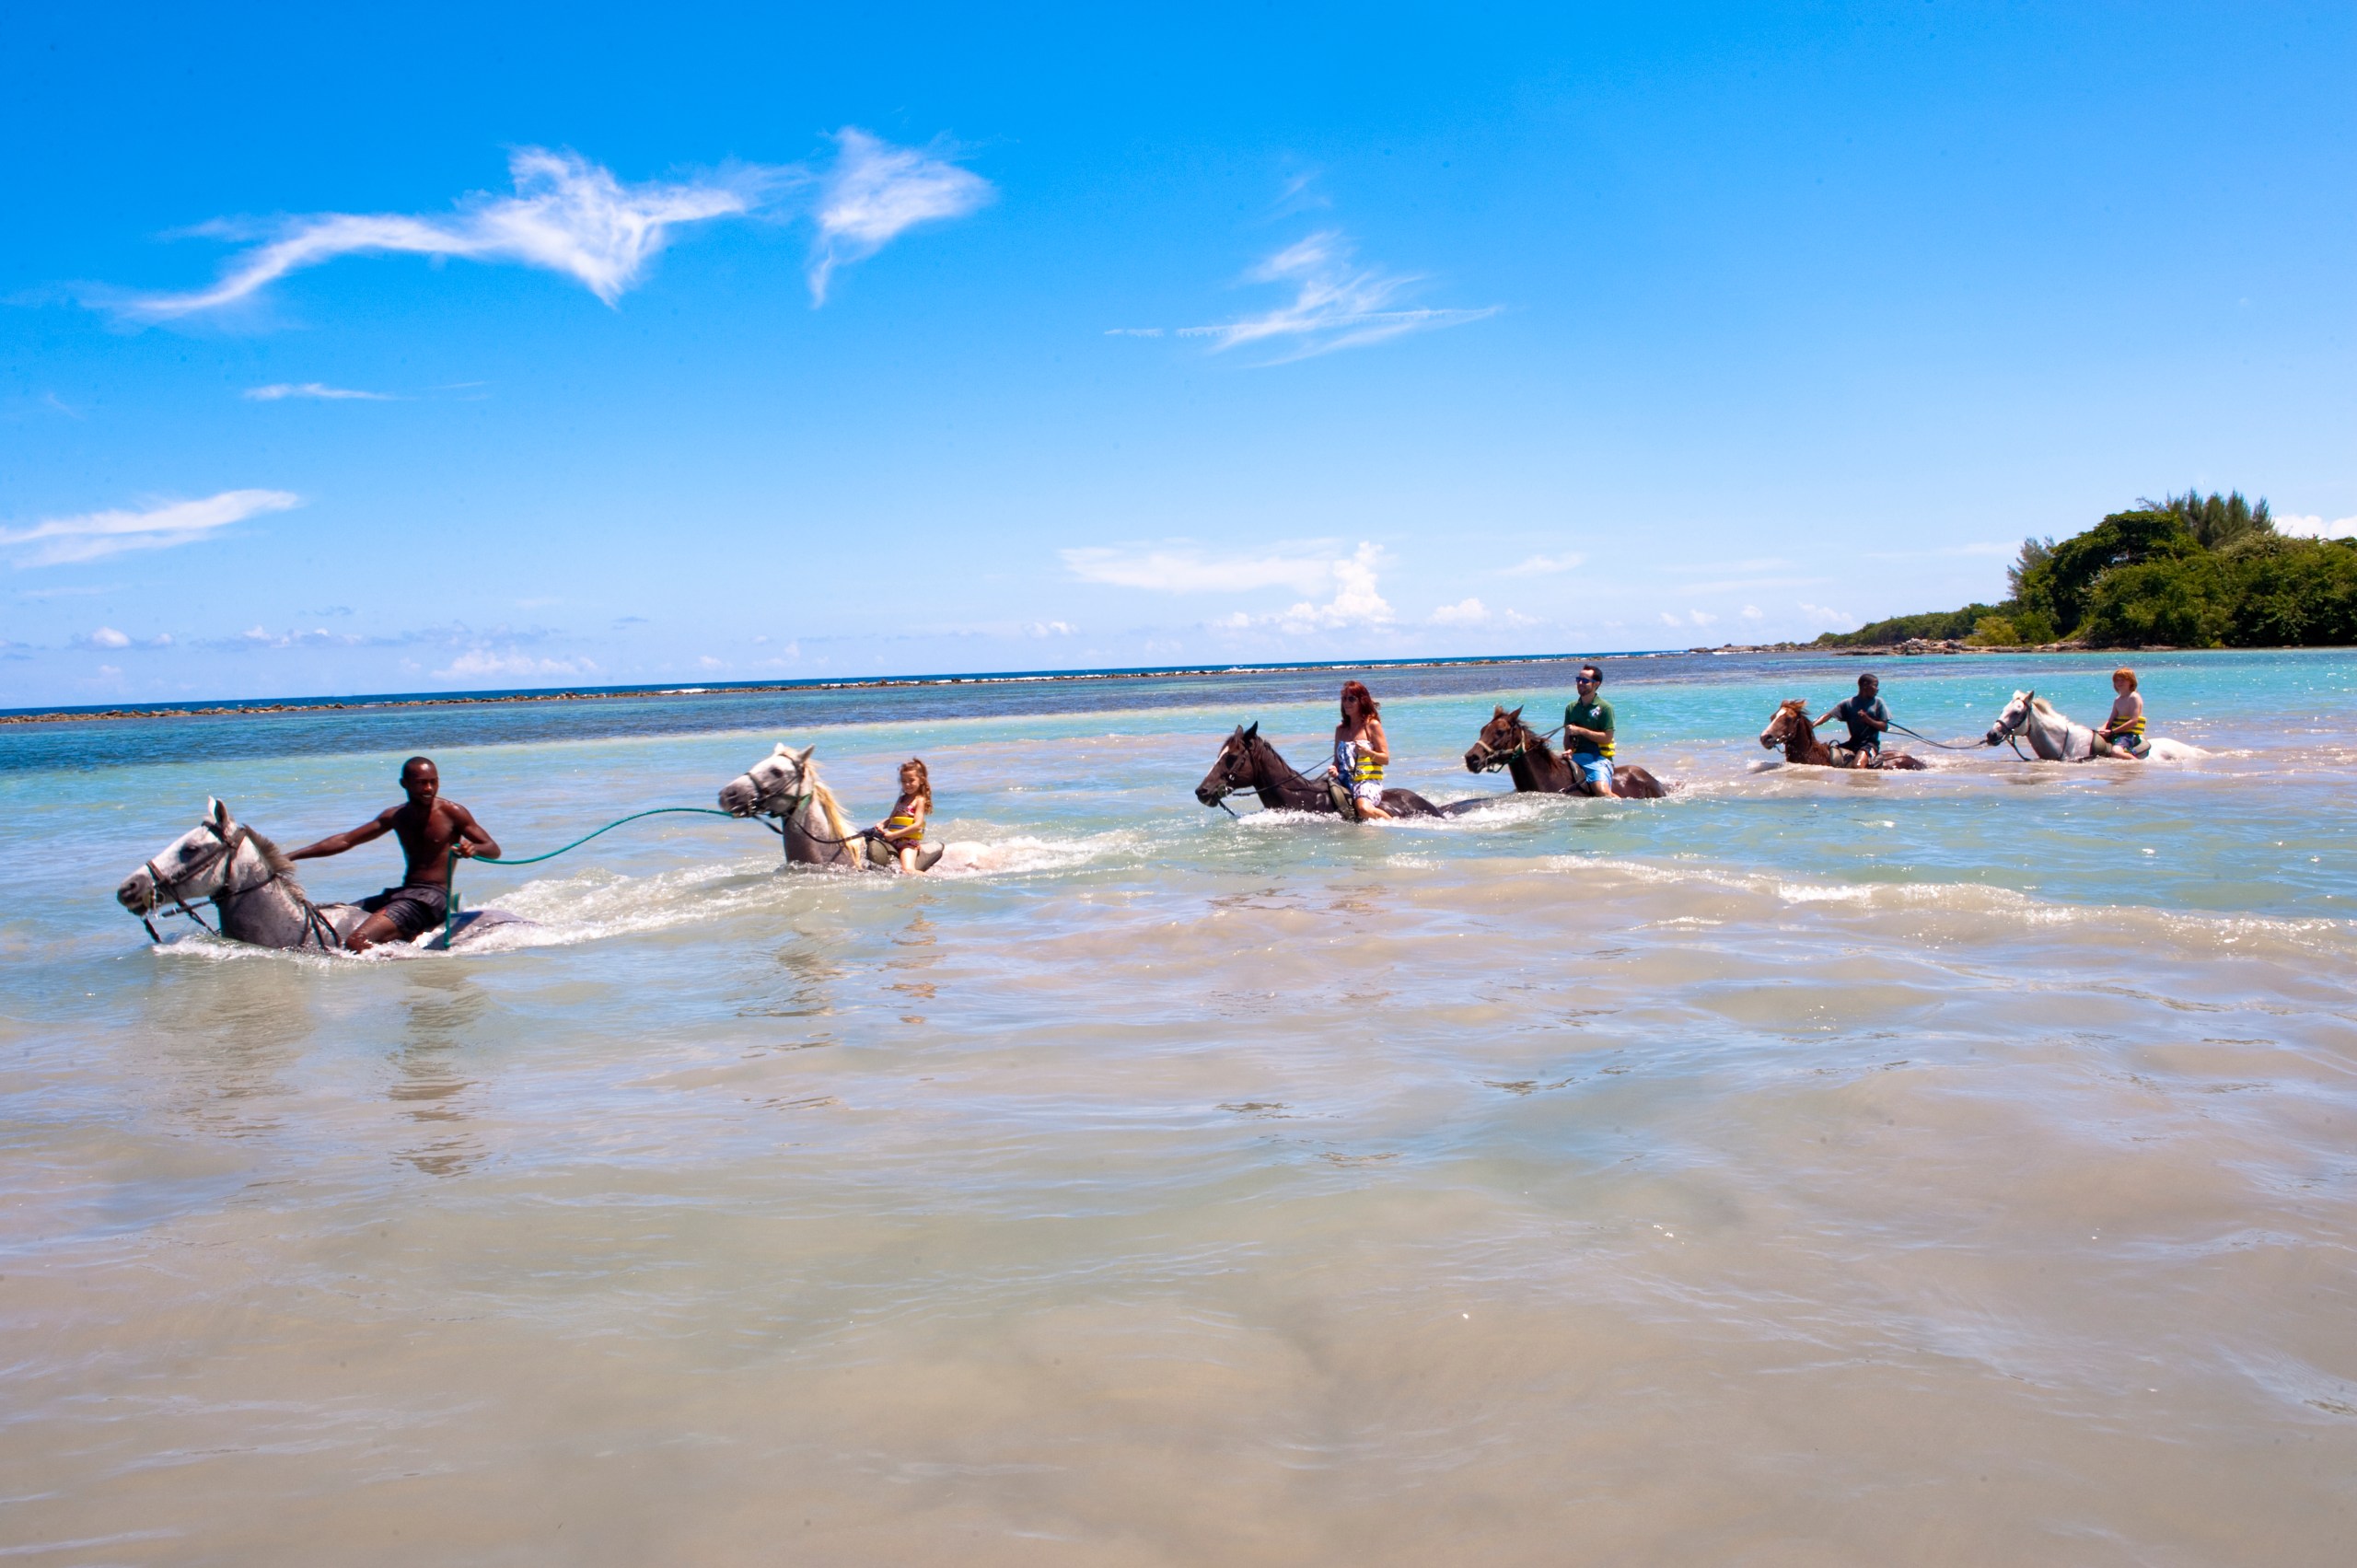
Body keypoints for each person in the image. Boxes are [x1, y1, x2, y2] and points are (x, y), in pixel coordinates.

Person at [286, 756, 501, 951]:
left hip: (432, 898)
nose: (429, 788)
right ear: (404, 784)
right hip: (405, 893)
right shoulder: (396, 815)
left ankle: (401, 968)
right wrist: (290, 856)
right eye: (421, 782)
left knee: (357, 940)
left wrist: (474, 849)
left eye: (433, 781)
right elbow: (346, 840)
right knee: (332, 918)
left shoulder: (452, 812)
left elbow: (492, 849)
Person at [1326, 679, 1394, 820]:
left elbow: (1385, 759)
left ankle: (1393, 824)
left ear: (1361, 701)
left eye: (1351, 699)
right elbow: (1337, 760)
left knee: (1363, 808)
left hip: (1366, 781)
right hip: (1342, 780)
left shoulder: (1372, 725)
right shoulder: (1340, 729)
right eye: (1344, 699)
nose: (1346, 703)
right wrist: (1334, 769)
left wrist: (1368, 753)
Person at [869, 758, 933, 872]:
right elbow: (891, 819)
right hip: (894, 840)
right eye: (904, 781)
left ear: (921, 780)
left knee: (907, 870)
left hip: (908, 843)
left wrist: (894, 835)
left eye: (911, 780)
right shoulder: (901, 799)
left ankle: (935, 879)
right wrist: (882, 824)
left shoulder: (920, 800)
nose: (907, 784)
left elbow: (917, 825)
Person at [1562, 664, 1616, 796]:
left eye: (1585, 681)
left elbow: (1607, 737)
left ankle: (1624, 808)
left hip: (1598, 759)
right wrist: (1568, 749)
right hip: (1575, 757)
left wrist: (1580, 731)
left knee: (1602, 791)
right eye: (1578, 679)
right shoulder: (1571, 708)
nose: (1580, 683)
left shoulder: (1605, 708)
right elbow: (1567, 736)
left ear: (1596, 684)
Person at [1813, 672, 1890, 764]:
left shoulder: (1878, 702)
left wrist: (1867, 719)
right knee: (1827, 756)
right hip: (1853, 742)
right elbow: (1828, 715)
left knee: (1857, 766)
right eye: (1875, 686)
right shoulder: (1848, 703)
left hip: (1870, 744)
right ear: (1865, 685)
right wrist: (1812, 725)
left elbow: (1884, 727)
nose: (1877, 689)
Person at [2096, 667, 2149, 758]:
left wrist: (2112, 732)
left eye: (2123, 680)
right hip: (2117, 733)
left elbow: (2133, 721)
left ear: (2131, 681)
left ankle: (2136, 764)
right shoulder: (2118, 700)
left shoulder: (2134, 697)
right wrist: (2101, 730)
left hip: (2129, 734)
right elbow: (2111, 720)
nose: (2119, 683)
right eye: (2117, 680)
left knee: (2116, 752)